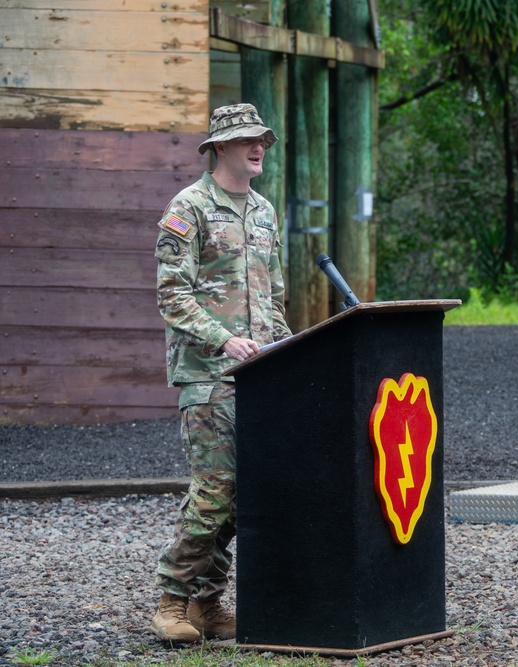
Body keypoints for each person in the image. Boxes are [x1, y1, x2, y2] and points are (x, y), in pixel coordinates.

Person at [149, 103, 293, 643]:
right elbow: (171, 295)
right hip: (207, 374)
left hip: (259, 376)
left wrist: (286, 353)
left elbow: (274, 296)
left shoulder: (263, 211)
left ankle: (205, 606)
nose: (259, 147)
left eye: (263, 140)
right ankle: (171, 600)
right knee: (215, 489)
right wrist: (223, 337)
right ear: (220, 149)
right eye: (247, 140)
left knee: (245, 492)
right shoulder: (189, 208)